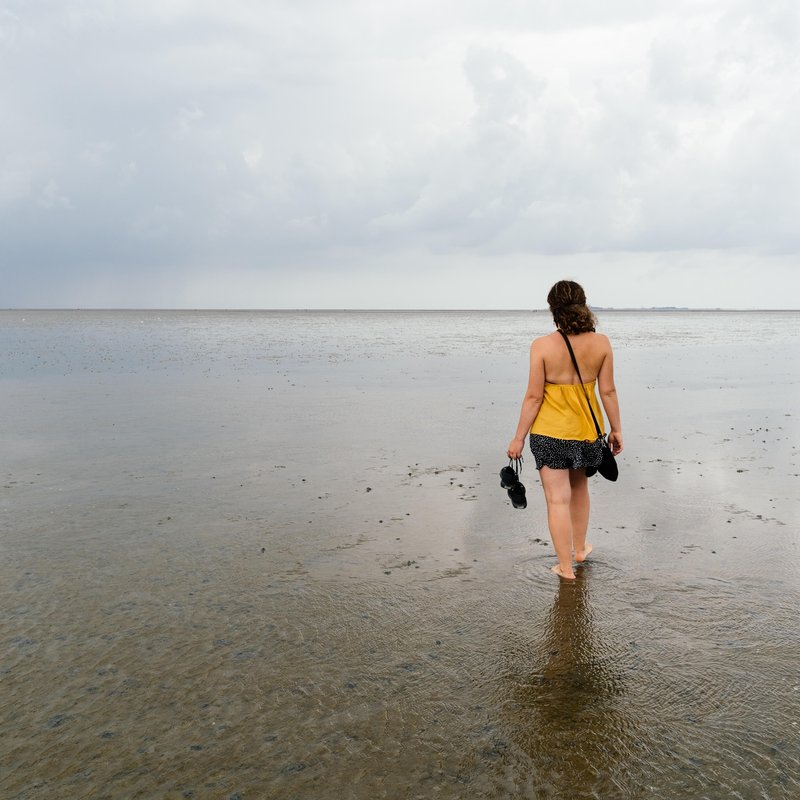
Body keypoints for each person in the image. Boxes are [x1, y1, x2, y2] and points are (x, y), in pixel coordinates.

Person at [507, 280, 623, 580]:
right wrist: (616, 429)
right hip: (586, 433)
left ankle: (565, 568)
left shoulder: (542, 346)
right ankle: (580, 548)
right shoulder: (602, 343)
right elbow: (608, 391)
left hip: (549, 434)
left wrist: (518, 437)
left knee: (557, 500)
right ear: (583, 304)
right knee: (580, 488)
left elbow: (533, 397)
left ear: (553, 309)